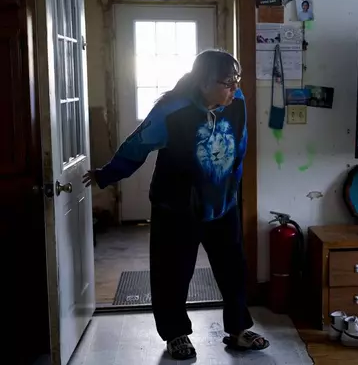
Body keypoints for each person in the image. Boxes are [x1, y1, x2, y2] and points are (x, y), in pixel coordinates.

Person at [82, 49, 269, 360]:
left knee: (233, 269)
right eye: (227, 82)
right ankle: (175, 334)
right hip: (177, 206)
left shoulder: (237, 102)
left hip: (222, 204)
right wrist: (107, 175)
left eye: (237, 80)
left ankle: (238, 329)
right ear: (204, 82)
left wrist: (233, 190)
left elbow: (241, 142)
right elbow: (136, 146)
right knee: (173, 272)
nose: (235, 87)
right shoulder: (171, 110)